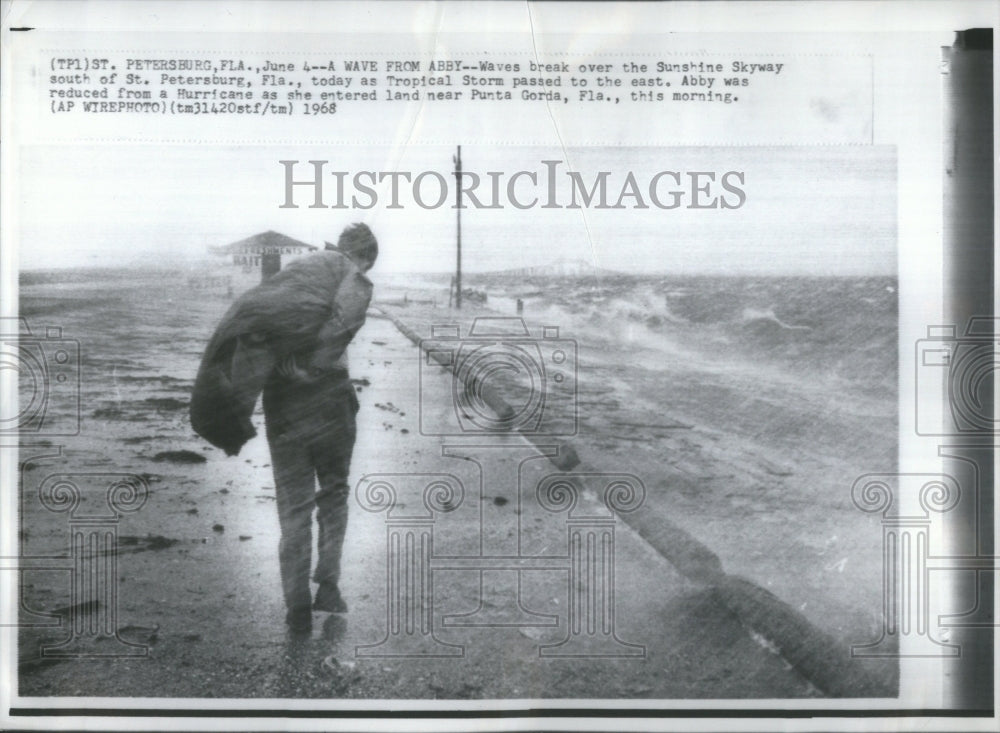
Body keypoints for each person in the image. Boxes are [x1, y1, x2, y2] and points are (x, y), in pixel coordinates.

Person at [190, 223, 377, 634]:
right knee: (334, 492)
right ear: (364, 256)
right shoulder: (353, 273)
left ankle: (296, 608)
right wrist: (312, 366)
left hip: (281, 404)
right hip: (327, 398)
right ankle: (327, 585)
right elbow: (347, 318)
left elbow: (262, 321)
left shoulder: (298, 272)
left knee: (292, 507)